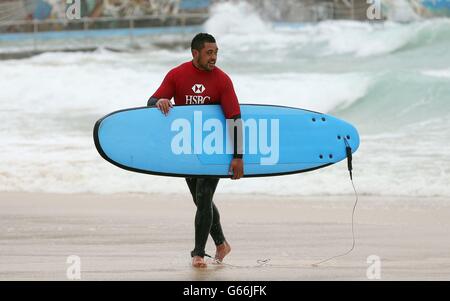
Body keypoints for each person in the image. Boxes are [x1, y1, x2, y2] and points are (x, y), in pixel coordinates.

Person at [147, 33, 244, 268]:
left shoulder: (222, 80)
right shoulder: (177, 74)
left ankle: (198, 253)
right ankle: (221, 244)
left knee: (203, 197)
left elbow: (234, 118)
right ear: (195, 53)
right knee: (200, 199)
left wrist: (238, 156)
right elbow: (152, 100)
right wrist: (160, 102)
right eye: (209, 53)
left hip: (214, 148)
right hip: (187, 148)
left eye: (216, 52)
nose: (214, 57)